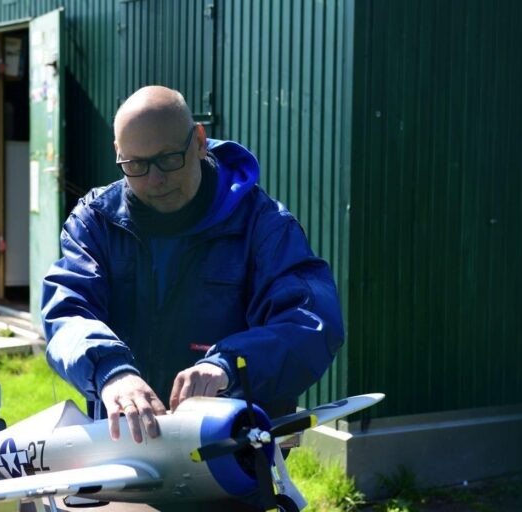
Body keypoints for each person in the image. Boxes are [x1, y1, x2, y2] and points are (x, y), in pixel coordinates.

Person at [41, 85, 344, 449]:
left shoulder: (264, 227)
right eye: (135, 165)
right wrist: (111, 372)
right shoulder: (95, 223)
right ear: (117, 152)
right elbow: (67, 311)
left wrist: (228, 366)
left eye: (168, 159)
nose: (155, 180)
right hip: (125, 442)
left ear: (199, 141)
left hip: (232, 450)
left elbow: (310, 322)